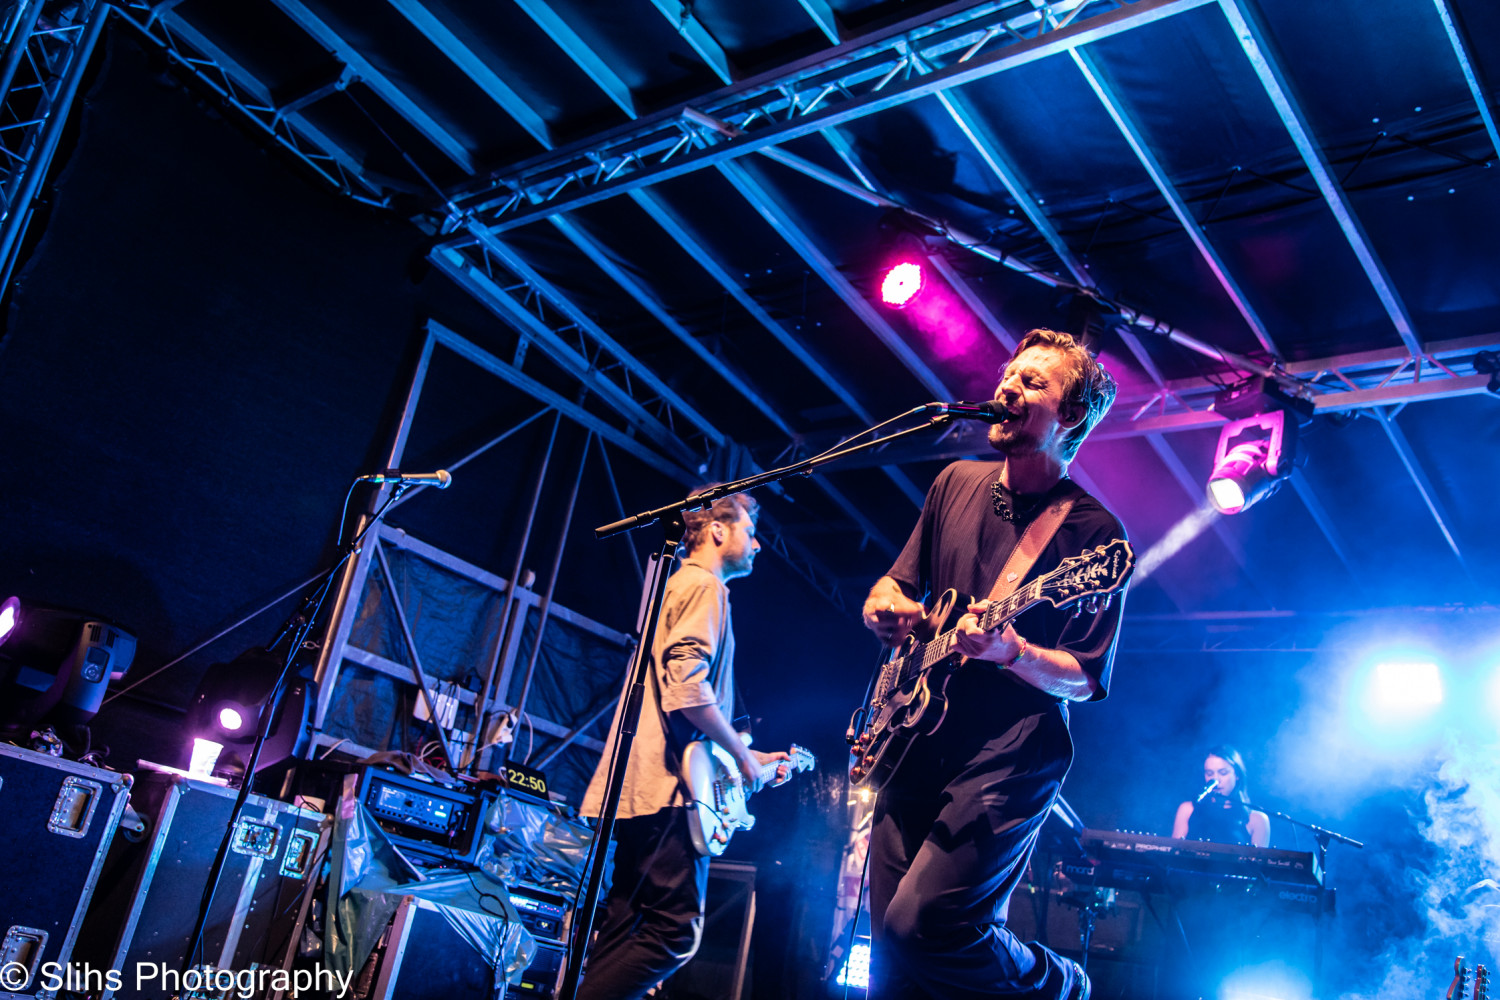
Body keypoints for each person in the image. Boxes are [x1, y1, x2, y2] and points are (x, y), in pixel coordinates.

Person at [861, 328, 1125, 1000]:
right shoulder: (955, 482)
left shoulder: (1094, 535)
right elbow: (896, 586)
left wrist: (1013, 650)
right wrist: (886, 608)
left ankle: (1055, 983)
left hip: (1009, 752)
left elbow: (1086, 676)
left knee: (924, 928)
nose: (1008, 386)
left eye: (1033, 381)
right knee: (891, 957)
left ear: (1069, 416)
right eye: (1009, 374)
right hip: (913, 737)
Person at [576, 491, 788, 1000]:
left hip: (646, 787)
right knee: (674, 933)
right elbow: (687, 691)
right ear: (717, 530)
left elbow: (686, 709)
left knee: (625, 924)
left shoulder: (684, 584)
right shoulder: (704, 585)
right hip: (670, 792)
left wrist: (749, 760)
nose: (758, 545)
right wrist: (739, 754)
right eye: (749, 531)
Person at [1171, 746, 1270, 847]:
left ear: (1237, 775)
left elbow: (1258, 861)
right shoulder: (1187, 809)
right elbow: (1174, 853)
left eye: (1223, 773)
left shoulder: (1257, 818)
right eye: (1209, 774)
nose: (1216, 780)